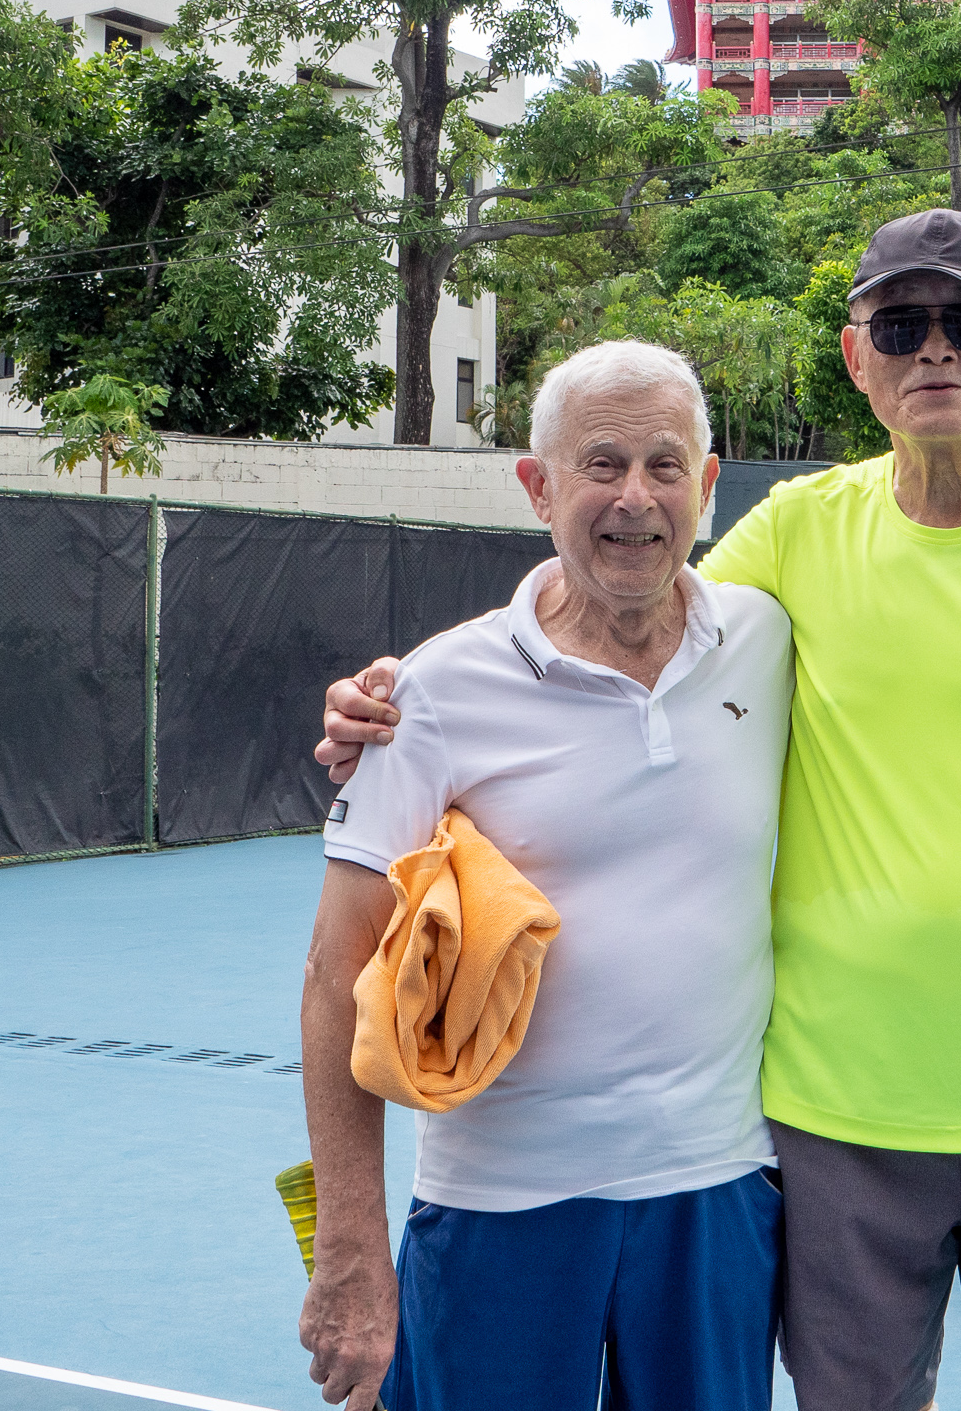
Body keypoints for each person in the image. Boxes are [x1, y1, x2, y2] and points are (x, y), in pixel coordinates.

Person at [321, 209, 961, 1411]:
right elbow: (618, 585)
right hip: (830, 1130)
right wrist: (389, 697)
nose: (933, 352)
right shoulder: (794, 539)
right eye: (898, 326)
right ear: (855, 359)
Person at [298, 340, 794, 1411]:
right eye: (600, 464)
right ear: (538, 487)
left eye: (666, 467)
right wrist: (348, 1247)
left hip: (715, 1197)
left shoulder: (768, 641)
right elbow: (336, 970)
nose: (634, 499)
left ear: (708, 487)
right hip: (497, 1205)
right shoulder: (430, 690)